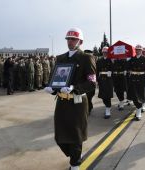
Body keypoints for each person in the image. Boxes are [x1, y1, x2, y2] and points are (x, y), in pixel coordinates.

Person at [44, 28, 96, 170]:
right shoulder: (61, 58)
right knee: (60, 134)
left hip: (77, 102)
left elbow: (91, 82)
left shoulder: (86, 58)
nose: (70, 42)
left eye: (73, 39)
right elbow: (56, 78)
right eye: (68, 39)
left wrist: (75, 88)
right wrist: (51, 88)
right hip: (62, 101)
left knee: (75, 134)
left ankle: (75, 164)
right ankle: (75, 156)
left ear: (80, 41)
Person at [127, 45, 145, 121]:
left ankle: (138, 112)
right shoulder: (132, 59)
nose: (138, 51)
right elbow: (127, 68)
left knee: (140, 95)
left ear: (141, 51)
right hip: (133, 79)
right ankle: (138, 108)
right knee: (133, 96)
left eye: (139, 50)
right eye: (137, 50)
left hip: (141, 80)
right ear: (135, 50)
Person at [96, 47, 114, 119]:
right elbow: (97, 71)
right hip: (102, 80)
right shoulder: (99, 60)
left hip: (109, 80)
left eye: (106, 52)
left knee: (108, 96)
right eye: (104, 52)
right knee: (103, 96)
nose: (105, 53)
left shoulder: (111, 60)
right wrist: (97, 80)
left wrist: (111, 71)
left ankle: (108, 110)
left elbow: (115, 69)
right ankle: (107, 106)